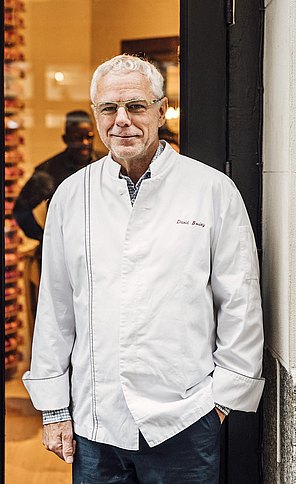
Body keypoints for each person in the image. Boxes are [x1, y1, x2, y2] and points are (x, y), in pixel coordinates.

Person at [23, 54, 264, 483]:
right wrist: (55, 408)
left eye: (135, 106)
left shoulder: (211, 190)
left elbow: (240, 300)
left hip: (184, 418)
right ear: (96, 112)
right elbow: (56, 309)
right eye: (108, 109)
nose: (122, 121)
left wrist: (222, 401)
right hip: (96, 422)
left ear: (160, 109)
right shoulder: (71, 195)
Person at [13, 110, 100, 243]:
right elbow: (21, 210)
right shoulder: (49, 171)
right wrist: (45, 239)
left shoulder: (106, 163)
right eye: (77, 138)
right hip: (64, 247)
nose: (84, 143)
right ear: (65, 139)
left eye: (89, 137)